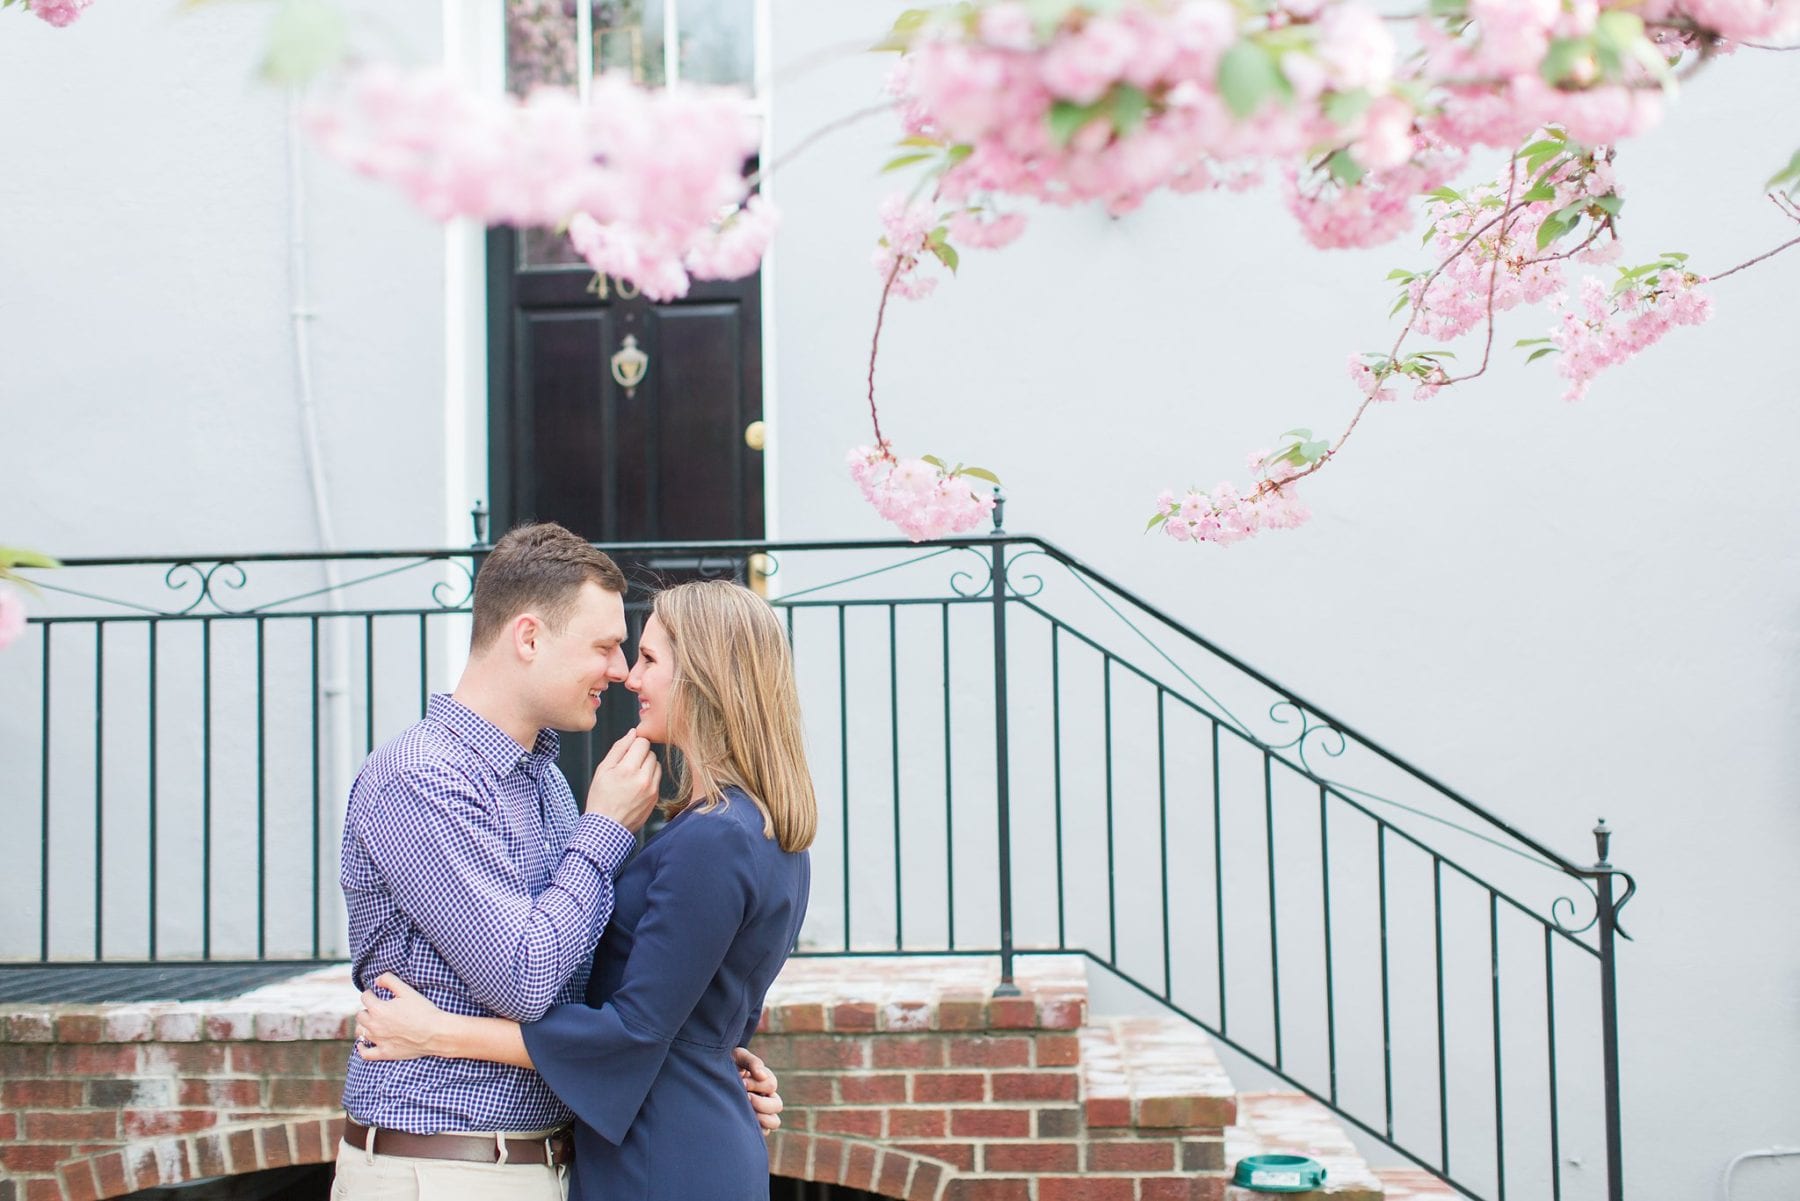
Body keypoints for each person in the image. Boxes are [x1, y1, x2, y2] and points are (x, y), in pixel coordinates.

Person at [333, 525, 782, 1201]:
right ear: (530, 637)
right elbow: (525, 977)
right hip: (446, 1169)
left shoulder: (547, 782)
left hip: (555, 1162)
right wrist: (602, 830)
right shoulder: (420, 778)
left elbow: (596, 977)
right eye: (604, 645)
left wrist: (703, 1061)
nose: (620, 670)